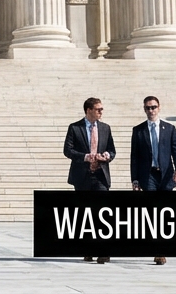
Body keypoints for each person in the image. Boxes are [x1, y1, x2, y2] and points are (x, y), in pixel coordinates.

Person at [130, 95, 176, 265]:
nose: (151, 110)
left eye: (153, 107)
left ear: (159, 108)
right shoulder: (138, 130)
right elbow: (134, 157)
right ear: (144, 109)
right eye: (147, 108)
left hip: (166, 176)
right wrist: (135, 179)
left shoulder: (169, 128)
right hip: (149, 176)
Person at [63, 97, 115, 264]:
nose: (101, 112)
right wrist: (85, 157)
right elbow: (67, 150)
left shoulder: (105, 128)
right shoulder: (75, 128)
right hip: (82, 176)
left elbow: (112, 150)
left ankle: (103, 251)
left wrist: (107, 156)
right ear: (88, 110)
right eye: (98, 109)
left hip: (100, 176)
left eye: (101, 109)